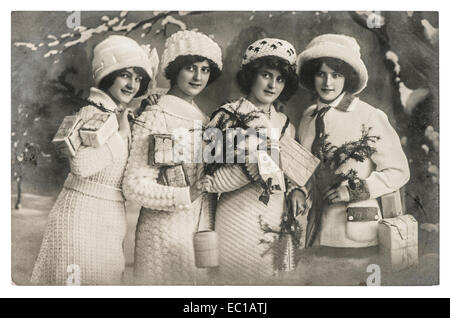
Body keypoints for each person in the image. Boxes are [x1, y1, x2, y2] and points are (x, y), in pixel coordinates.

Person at [30, 35, 156, 285]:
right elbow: (82, 165)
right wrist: (120, 135)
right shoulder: (93, 111)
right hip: (81, 217)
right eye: (125, 75)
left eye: (137, 77)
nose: (132, 84)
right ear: (109, 75)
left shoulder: (116, 113)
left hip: (108, 218)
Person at [122, 30, 223, 285]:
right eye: (190, 68)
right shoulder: (156, 115)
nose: (198, 77)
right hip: (162, 234)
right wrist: (184, 195)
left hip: (200, 233)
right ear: (175, 69)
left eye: (205, 69)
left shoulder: (206, 119)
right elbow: (134, 185)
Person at [293, 34, 410, 249]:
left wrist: (353, 190)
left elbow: (399, 171)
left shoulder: (369, 116)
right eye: (321, 74)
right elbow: (304, 171)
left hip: (357, 233)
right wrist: (300, 190)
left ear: (347, 77)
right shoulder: (308, 118)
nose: (328, 83)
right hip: (315, 233)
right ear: (313, 77)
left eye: (336, 74)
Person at [201, 38, 300, 283]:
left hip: (274, 211)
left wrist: (297, 189)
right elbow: (208, 172)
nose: (272, 85)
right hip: (236, 211)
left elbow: (290, 171)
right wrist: (250, 170)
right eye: (266, 75)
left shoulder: (286, 124)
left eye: (280, 79)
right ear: (251, 76)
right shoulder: (226, 116)